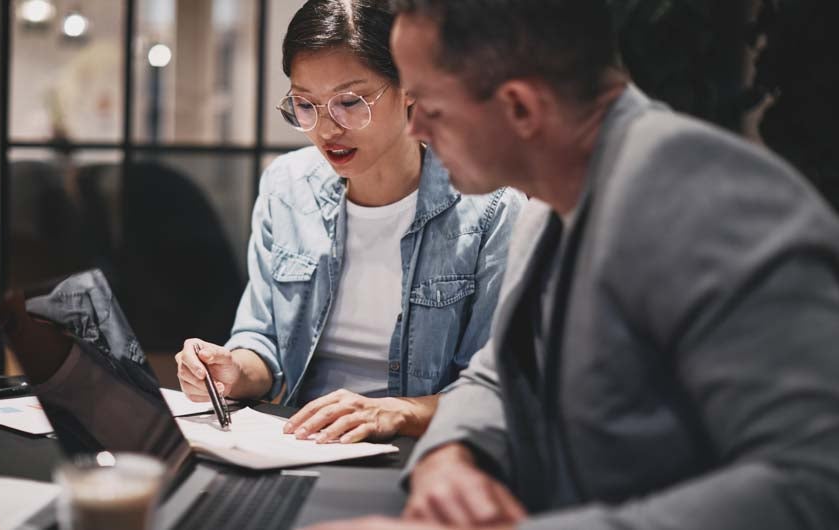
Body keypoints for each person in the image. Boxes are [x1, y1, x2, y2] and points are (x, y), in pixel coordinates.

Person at [306, 0, 839, 529]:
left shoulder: (708, 200)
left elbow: (814, 482)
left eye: (429, 105)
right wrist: (453, 456)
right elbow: (498, 376)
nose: (415, 126)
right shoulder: (550, 204)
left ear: (520, 108)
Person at [175, 0, 529, 445]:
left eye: (349, 102)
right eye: (305, 104)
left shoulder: (490, 207)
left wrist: (395, 413)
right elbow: (262, 340)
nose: (326, 128)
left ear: (410, 88)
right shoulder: (287, 187)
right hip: (298, 439)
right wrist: (232, 370)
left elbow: (495, 389)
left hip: (425, 452)